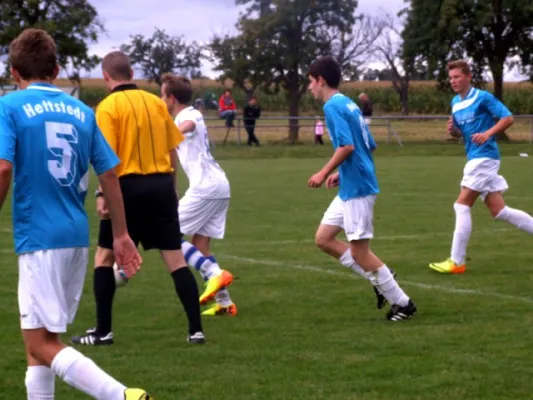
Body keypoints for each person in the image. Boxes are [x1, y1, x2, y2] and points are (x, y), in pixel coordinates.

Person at [0, 28, 149, 399]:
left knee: (40, 343)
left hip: (39, 237)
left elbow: (3, 169)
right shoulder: (83, 111)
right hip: (74, 237)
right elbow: (109, 173)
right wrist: (121, 234)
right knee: (41, 340)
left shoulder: (9, 107)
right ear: (57, 68)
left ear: (14, 73)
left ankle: (122, 395)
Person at [71, 51, 205, 346]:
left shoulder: (107, 108)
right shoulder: (157, 103)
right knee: (175, 259)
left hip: (125, 188)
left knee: (104, 257)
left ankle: (103, 331)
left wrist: (101, 194)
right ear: (131, 73)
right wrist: (170, 188)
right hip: (160, 185)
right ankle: (196, 330)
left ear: (106, 77)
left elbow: (105, 159)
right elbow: (172, 151)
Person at [307, 56, 416, 321]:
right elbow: (369, 145)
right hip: (352, 185)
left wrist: (323, 172)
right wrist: (341, 175)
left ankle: (402, 303)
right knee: (324, 239)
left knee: (360, 252)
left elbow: (347, 147)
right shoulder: (350, 103)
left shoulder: (333, 107)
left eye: (310, 82)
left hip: (358, 189)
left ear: (321, 81)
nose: (309, 88)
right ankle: (380, 278)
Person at [429, 60, 533, 274]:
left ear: (468, 76)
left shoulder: (482, 97)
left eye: (457, 76)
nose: (453, 81)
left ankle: (457, 262)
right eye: (450, 78)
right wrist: (454, 132)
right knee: (500, 211)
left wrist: (488, 133)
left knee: (461, 205)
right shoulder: (455, 103)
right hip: (475, 158)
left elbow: (508, 118)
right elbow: (463, 134)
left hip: (484, 158)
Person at [161, 73, 237, 316]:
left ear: (172, 98)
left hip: (207, 187)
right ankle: (225, 303)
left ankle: (214, 274)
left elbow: (190, 126)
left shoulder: (188, 115)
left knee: (168, 235)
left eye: (162, 95)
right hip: (217, 186)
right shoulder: (183, 115)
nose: (161, 100)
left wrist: (169, 134)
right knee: (201, 244)